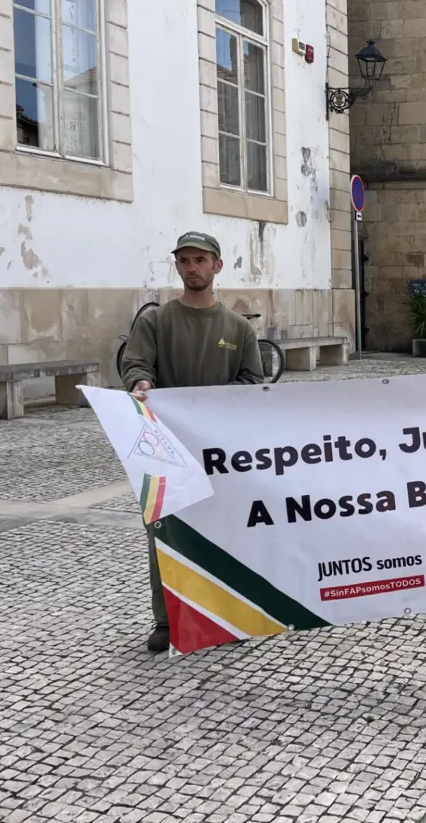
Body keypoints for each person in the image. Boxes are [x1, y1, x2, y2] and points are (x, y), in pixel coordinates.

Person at [121, 231, 266, 652]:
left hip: (221, 453)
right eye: (184, 260)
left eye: (200, 260)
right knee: (166, 534)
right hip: (164, 449)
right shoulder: (155, 321)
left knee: (225, 531)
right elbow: (135, 365)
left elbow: (251, 383)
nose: (192, 268)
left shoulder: (238, 329)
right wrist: (140, 381)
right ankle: (167, 621)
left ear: (217, 266)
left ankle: (228, 616)